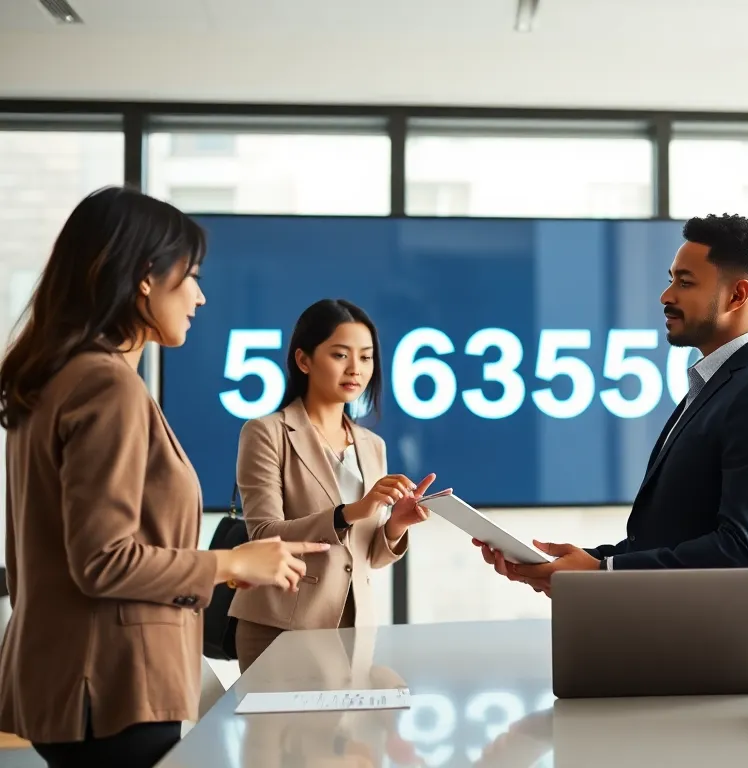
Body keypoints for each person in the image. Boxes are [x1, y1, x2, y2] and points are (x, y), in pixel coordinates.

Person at [0, 186, 329, 768]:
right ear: (145, 278)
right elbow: (103, 559)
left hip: (68, 683)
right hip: (111, 687)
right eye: (192, 276)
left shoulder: (55, 377)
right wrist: (231, 564)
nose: (200, 297)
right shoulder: (106, 385)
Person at [474, 213, 748, 677]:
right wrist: (590, 563)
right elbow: (671, 536)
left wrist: (601, 574)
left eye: (685, 282)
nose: (666, 296)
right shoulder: (719, 386)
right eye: (669, 279)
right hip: (680, 649)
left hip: (724, 662)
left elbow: (741, 551)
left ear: (737, 295)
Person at [229, 299, 438, 672]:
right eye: (340, 355)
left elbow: (365, 555)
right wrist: (351, 513)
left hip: (353, 627)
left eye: (366, 357)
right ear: (304, 360)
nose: (355, 369)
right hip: (281, 626)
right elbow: (263, 533)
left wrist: (396, 525)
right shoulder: (266, 432)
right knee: (278, 732)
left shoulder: (373, 445)